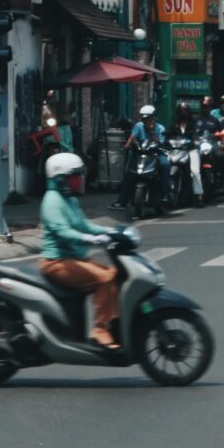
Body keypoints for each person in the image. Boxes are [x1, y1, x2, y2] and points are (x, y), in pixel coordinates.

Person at [39, 153, 119, 349]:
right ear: (61, 177)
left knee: (115, 274)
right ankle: (100, 330)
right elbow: (62, 231)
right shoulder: (52, 201)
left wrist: (112, 231)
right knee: (105, 279)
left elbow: (84, 225)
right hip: (57, 262)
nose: (81, 179)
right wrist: (88, 239)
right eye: (76, 175)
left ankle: (112, 324)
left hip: (75, 259)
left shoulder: (70, 200)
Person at [108, 104, 169, 211]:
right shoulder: (138, 126)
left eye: (148, 118)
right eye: (143, 118)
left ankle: (165, 193)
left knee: (165, 164)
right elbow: (132, 137)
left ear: (153, 118)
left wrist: (151, 131)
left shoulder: (160, 128)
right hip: (141, 153)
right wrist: (126, 146)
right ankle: (122, 201)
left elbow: (160, 142)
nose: (145, 121)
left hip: (155, 153)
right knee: (129, 173)